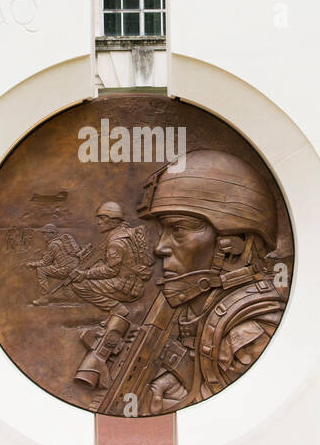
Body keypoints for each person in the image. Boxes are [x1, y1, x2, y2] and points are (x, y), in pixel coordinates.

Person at [92, 151, 287, 414]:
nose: (160, 247)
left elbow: (238, 412)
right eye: (163, 231)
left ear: (232, 244)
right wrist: (179, 379)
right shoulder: (203, 306)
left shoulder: (254, 328)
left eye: (179, 230)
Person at [66, 202, 153, 311]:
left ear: (113, 221)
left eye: (102, 218)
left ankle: (117, 309)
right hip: (133, 282)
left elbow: (111, 271)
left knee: (78, 285)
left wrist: (85, 274)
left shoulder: (115, 243)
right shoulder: (125, 231)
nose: (98, 222)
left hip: (126, 288)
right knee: (96, 266)